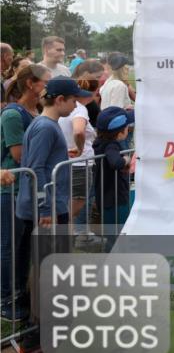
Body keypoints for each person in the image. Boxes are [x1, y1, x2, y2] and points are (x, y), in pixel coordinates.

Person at [12, 76, 93, 320]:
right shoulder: (46, 127)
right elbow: (36, 168)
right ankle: (43, 319)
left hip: (46, 204)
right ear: (60, 100)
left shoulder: (43, 124)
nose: (76, 106)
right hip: (47, 208)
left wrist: (60, 156)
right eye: (73, 101)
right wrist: (45, 208)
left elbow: (40, 161)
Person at [0, 64, 49, 320]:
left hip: (28, 190)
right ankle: (6, 299)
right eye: (44, 82)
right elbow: (19, 155)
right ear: (31, 83)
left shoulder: (37, 110)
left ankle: (21, 293)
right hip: (11, 191)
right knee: (10, 246)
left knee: (25, 247)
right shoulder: (12, 115)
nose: (47, 88)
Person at [58, 65, 100, 232]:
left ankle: (64, 234)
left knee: (67, 202)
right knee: (79, 201)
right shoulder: (80, 110)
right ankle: (63, 230)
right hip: (79, 164)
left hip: (65, 162)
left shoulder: (66, 110)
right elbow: (78, 130)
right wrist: (80, 148)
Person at [93, 106, 135, 241]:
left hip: (105, 195)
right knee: (118, 234)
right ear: (120, 132)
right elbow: (116, 162)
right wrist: (126, 159)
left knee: (112, 234)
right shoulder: (111, 146)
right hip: (115, 198)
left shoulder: (100, 142)